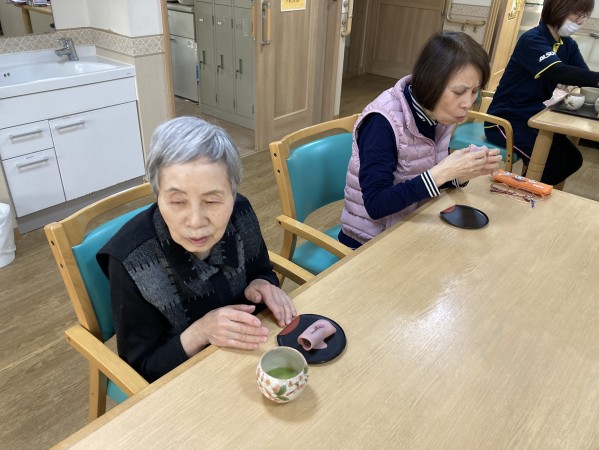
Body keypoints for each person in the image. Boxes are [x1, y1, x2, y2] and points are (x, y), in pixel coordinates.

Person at [97, 116, 296, 382]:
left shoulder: (240, 213)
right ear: (157, 195)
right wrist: (200, 332)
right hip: (184, 379)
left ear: (232, 193)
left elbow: (262, 270)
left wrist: (263, 284)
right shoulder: (131, 260)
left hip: (247, 356)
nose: (195, 221)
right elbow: (140, 368)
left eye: (212, 201)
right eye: (177, 201)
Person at [339, 31, 501, 248]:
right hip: (369, 241)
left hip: (413, 224)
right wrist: (443, 172)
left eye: (474, 91)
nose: (468, 103)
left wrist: (462, 173)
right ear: (430, 83)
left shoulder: (439, 114)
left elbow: (425, 174)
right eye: (459, 92)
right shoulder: (382, 122)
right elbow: (376, 205)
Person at [484, 0, 599, 185]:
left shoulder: (567, 44)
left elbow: (583, 76)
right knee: (552, 163)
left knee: (573, 159)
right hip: (505, 120)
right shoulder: (532, 39)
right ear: (558, 9)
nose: (580, 21)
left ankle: (531, 190)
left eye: (584, 16)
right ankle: (525, 194)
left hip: (534, 115)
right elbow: (557, 71)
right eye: (577, 14)